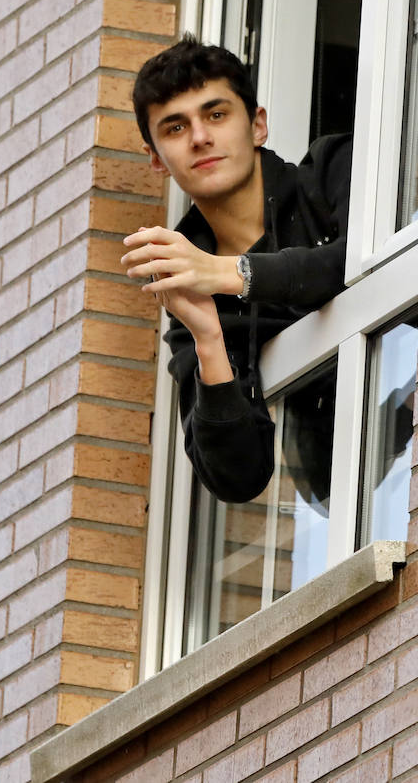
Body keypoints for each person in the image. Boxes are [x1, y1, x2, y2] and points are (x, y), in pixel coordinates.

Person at [120, 36, 352, 504]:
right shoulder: (191, 298)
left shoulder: (331, 170)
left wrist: (231, 274)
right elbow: (237, 478)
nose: (200, 137)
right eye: (174, 128)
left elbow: (350, 264)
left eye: (216, 114)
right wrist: (207, 335)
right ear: (155, 160)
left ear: (258, 125)